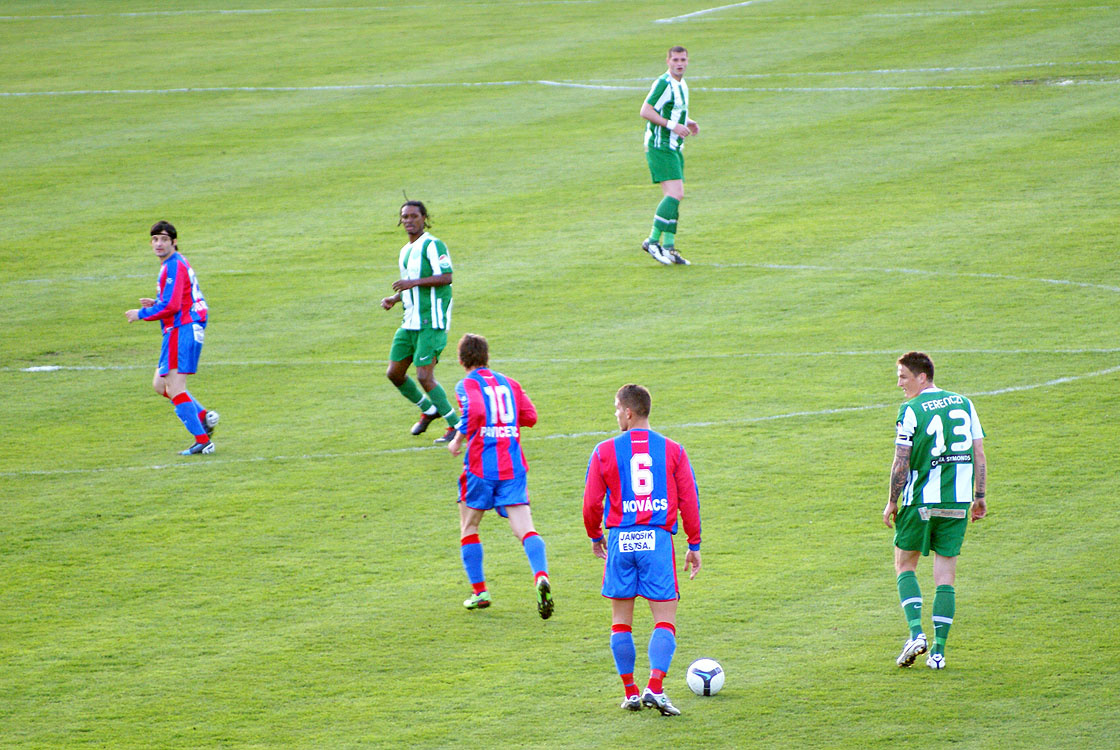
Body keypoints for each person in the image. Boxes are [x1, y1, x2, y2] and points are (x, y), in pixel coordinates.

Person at [583, 384, 701, 715]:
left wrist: (595, 535)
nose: (616, 414)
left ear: (630, 412)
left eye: (617, 409)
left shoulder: (604, 450)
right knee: (664, 619)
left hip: (622, 540)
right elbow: (689, 500)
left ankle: (631, 692)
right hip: (657, 540)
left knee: (621, 621)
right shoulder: (673, 450)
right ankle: (656, 688)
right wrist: (694, 543)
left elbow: (591, 502)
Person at [883, 351, 987, 670]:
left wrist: (892, 500)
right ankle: (939, 653)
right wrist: (979, 496)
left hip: (921, 500)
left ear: (922, 377)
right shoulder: (965, 403)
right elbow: (978, 453)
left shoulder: (911, 409)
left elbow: (902, 459)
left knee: (905, 564)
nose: (899, 383)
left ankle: (916, 633)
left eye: (903, 376)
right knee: (946, 575)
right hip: (957, 501)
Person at [447, 333, 553, 619]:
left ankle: (480, 591)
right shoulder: (510, 383)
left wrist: (458, 439)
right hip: (513, 466)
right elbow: (530, 417)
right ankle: (540, 575)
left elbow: (474, 410)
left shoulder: (465, 384)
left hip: (481, 467)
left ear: (461, 360)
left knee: (469, 525)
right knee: (525, 528)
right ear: (486, 357)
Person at [125, 221, 219, 455]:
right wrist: (156, 304)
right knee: (160, 384)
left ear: (174, 242)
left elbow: (173, 305)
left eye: (164, 239)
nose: (159, 244)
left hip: (183, 328)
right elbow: (176, 300)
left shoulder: (174, 265)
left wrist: (142, 314)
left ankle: (203, 441)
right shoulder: (173, 263)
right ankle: (202, 417)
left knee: (175, 387)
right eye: (155, 239)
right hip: (181, 327)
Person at [381, 201, 461, 444]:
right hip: (410, 322)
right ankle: (429, 409)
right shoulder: (405, 250)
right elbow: (408, 286)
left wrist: (413, 283)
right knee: (394, 373)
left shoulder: (433, 245)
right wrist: (395, 298)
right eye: (404, 216)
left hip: (431, 321)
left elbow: (446, 277)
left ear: (424, 218)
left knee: (425, 376)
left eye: (414, 216)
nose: (408, 220)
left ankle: (457, 427)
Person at [639, 45, 699, 267]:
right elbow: (646, 110)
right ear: (668, 61)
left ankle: (669, 247)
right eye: (675, 60)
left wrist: (687, 121)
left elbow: (672, 109)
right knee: (675, 194)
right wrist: (673, 125)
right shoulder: (664, 83)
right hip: (660, 146)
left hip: (674, 146)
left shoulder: (681, 84)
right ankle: (653, 241)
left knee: (675, 196)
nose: (679, 63)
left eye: (683, 59)